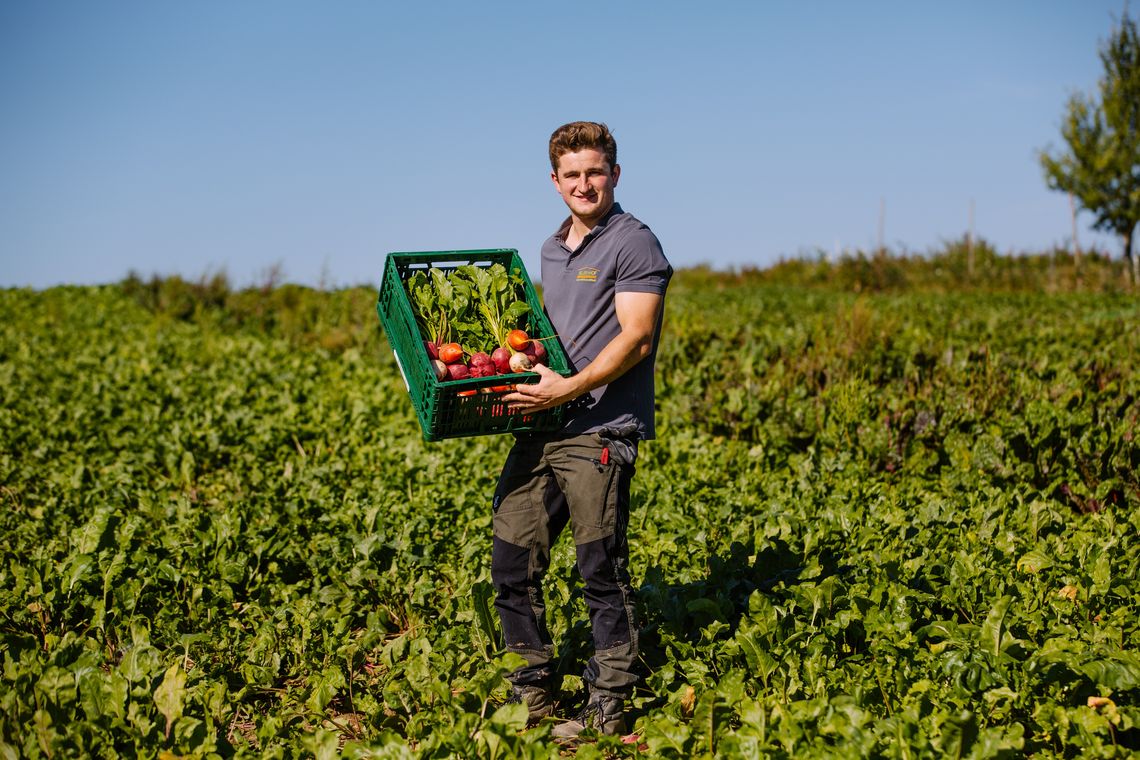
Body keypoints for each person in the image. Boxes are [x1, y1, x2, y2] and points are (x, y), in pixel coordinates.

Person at [495, 121, 672, 739]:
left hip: (599, 430)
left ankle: (610, 701)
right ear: (554, 181)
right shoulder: (551, 248)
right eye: (571, 175)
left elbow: (637, 338)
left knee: (600, 567)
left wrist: (571, 387)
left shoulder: (634, 243)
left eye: (595, 172)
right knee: (512, 558)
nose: (584, 184)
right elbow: (554, 337)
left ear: (615, 174)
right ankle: (532, 690)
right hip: (544, 424)